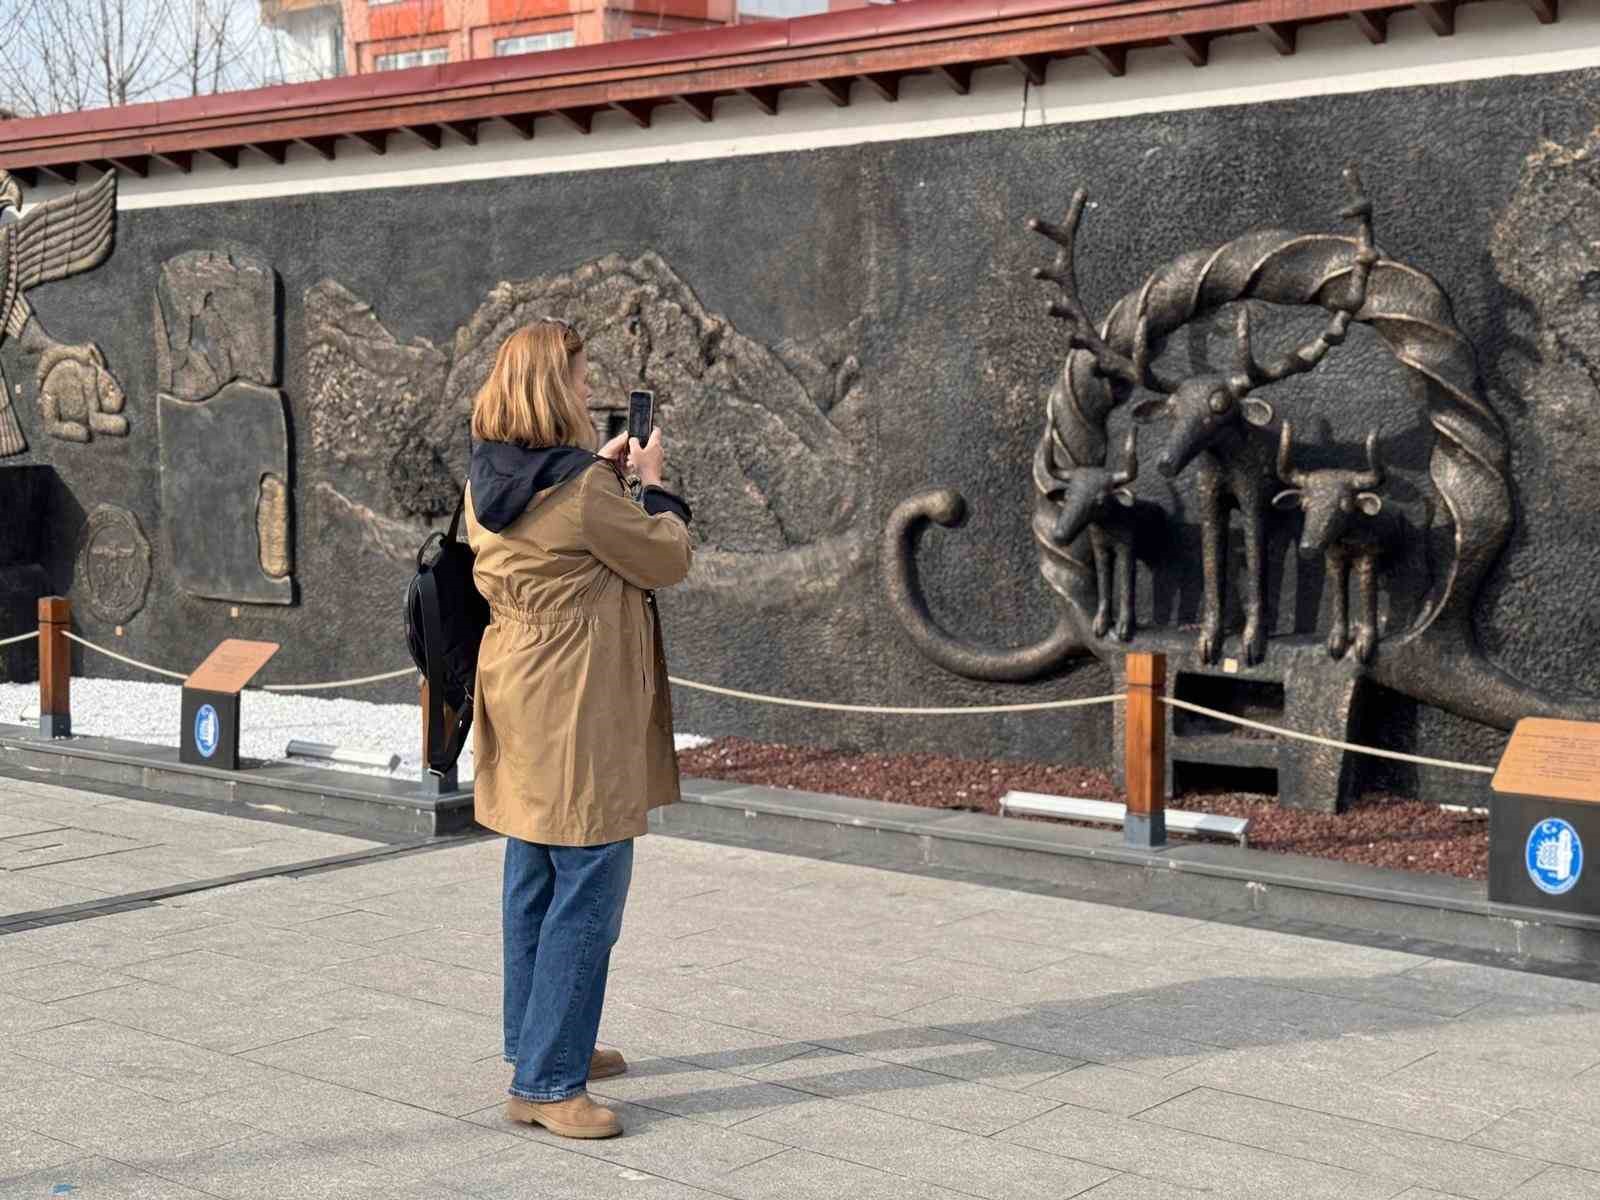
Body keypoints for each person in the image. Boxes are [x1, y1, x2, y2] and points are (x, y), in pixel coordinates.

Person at [463, 318, 692, 1139]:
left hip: (517, 687)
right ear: (554, 390)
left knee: (533, 866)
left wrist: (594, 476)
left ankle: (540, 1039)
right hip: (577, 698)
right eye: (579, 376)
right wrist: (657, 485)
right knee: (590, 875)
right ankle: (549, 1085)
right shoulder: (584, 491)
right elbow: (665, 556)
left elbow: (551, 527)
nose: (588, 391)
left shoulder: (488, 476)